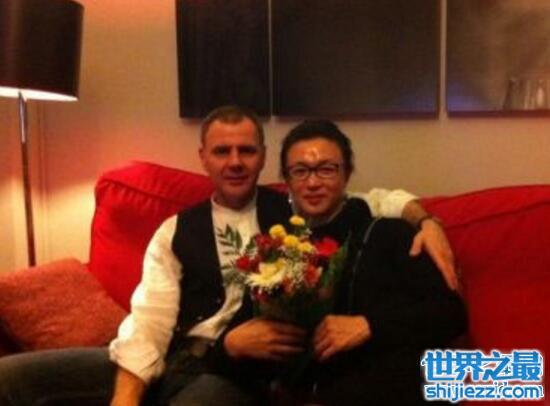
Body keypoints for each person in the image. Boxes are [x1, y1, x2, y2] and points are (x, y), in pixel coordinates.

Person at [0, 106, 456, 406]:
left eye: (246, 151)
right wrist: (127, 395)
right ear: (203, 158)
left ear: (262, 160)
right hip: (166, 357)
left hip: (234, 375)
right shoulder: (175, 229)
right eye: (222, 151)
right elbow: (149, 321)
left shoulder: (295, 214)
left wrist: (425, 219)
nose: (235, 161)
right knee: (11, 378)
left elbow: (368, 201)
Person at [213, 119, 467, 405]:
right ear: (287, 180)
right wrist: (229, 346)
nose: (312, 183)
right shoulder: (278, 251)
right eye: (300, 171)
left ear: (347, 173)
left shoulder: (390, 233)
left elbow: (450, 313)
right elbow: (229, 346)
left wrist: (369, 326)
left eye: (326, 169)